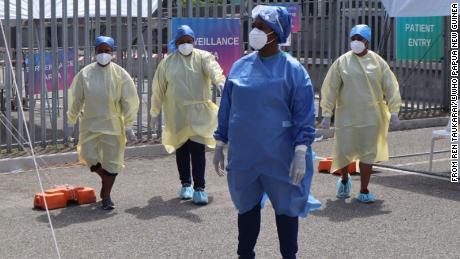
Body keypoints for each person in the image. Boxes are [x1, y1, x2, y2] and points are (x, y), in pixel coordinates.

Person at [213, 5, 321, 259]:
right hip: (245, 157)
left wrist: (301, 149)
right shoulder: (240, 67)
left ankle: (289, 255)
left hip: (280, 157)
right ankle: (245, 254)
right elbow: (227, 107)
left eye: (261, 27)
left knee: (286, 211)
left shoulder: (293, 70)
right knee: (246, 210)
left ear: (275, 32)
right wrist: (220, 142)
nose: (255, 31)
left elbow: (303, 113)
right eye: (254, 26)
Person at [320, 24, 402, 203]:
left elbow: (391, 86)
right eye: (353, 38)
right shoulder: (342, 62)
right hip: (347, 115)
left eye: (360, 38)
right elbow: (330, 87)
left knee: (368, 153)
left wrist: (394, 110)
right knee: (344, 150)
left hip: (371, 117)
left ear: (367, 41)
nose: (356, 42)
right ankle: (343, 180)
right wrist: (326, 112)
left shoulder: (378, 62)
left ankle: (364, 189)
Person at [150, 25, 225, 205]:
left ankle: (200, 188)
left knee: (197, 150)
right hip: (178, 113)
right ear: (176, 43)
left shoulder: (203, 57)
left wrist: (220, 82)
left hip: (199, 113)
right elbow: (158, 88)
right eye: (182, 42)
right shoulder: (167, 63)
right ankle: (185, 184)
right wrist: (154, 111)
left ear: (194, 41)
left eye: (188, 41)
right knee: (182, 150)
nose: (185, 45)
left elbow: (214, 69)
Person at [68, 36, 140, 210]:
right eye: (100, 51)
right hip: (90, 123)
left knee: (113, 161)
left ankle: (106, 195)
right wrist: (71, 119)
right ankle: (105, 178)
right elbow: (77, 98)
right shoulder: (85, 74)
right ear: (94, 52)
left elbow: (129, 100)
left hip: (113, 124)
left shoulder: (120, 74)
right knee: (88, 155)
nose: (103, 54)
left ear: (112, 52)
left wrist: (129, 125)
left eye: (107, 51)